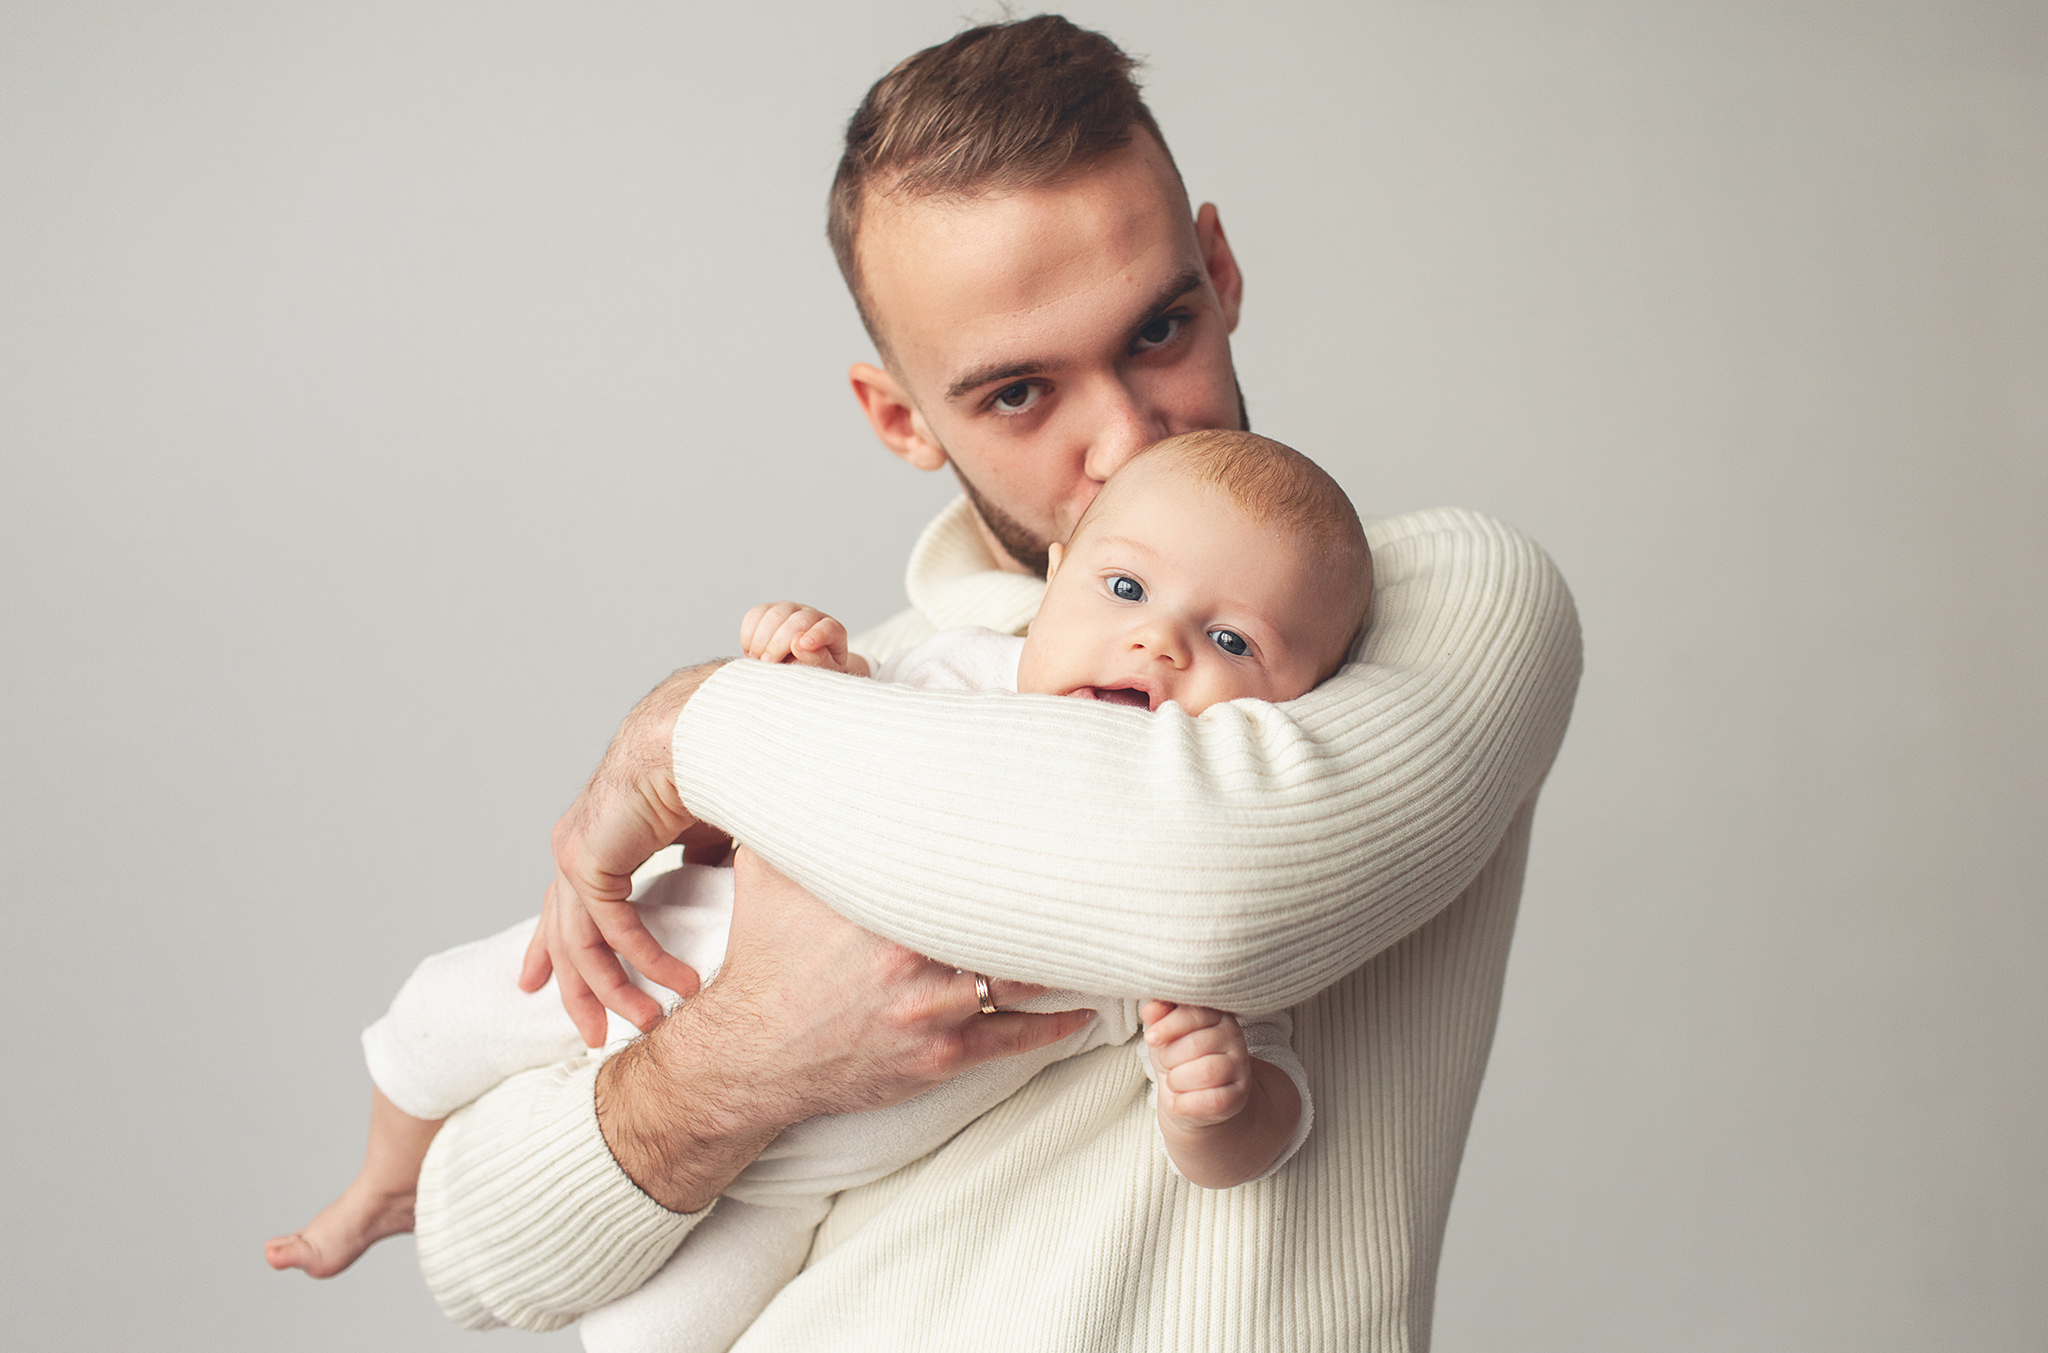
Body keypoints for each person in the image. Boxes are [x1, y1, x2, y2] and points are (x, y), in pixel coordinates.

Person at [413, 15, 1581, 1351]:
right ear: (901, 418)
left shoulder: (1444, 597)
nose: (1125, 440)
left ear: (1221, 271)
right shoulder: (863, 686)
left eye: (1158, 331)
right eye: (1022, 393)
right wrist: (747, 1053)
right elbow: (470, 1245)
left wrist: (693, 729)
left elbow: (1209, 882)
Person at [268, 431, 1365, 1350]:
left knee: (664, 1336)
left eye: (1229, 640)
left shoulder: (1186, 877)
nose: (1155, 640)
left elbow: (1269, 1093)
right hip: (655, 959)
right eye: (1123, 588)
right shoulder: (967, 672)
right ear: (1058, 570)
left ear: (1303, 701)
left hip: (794, 1179)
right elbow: (799, 746)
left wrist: (1219, 1105)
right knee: (436, 1015)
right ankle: (381, 1184)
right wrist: (807, 674)